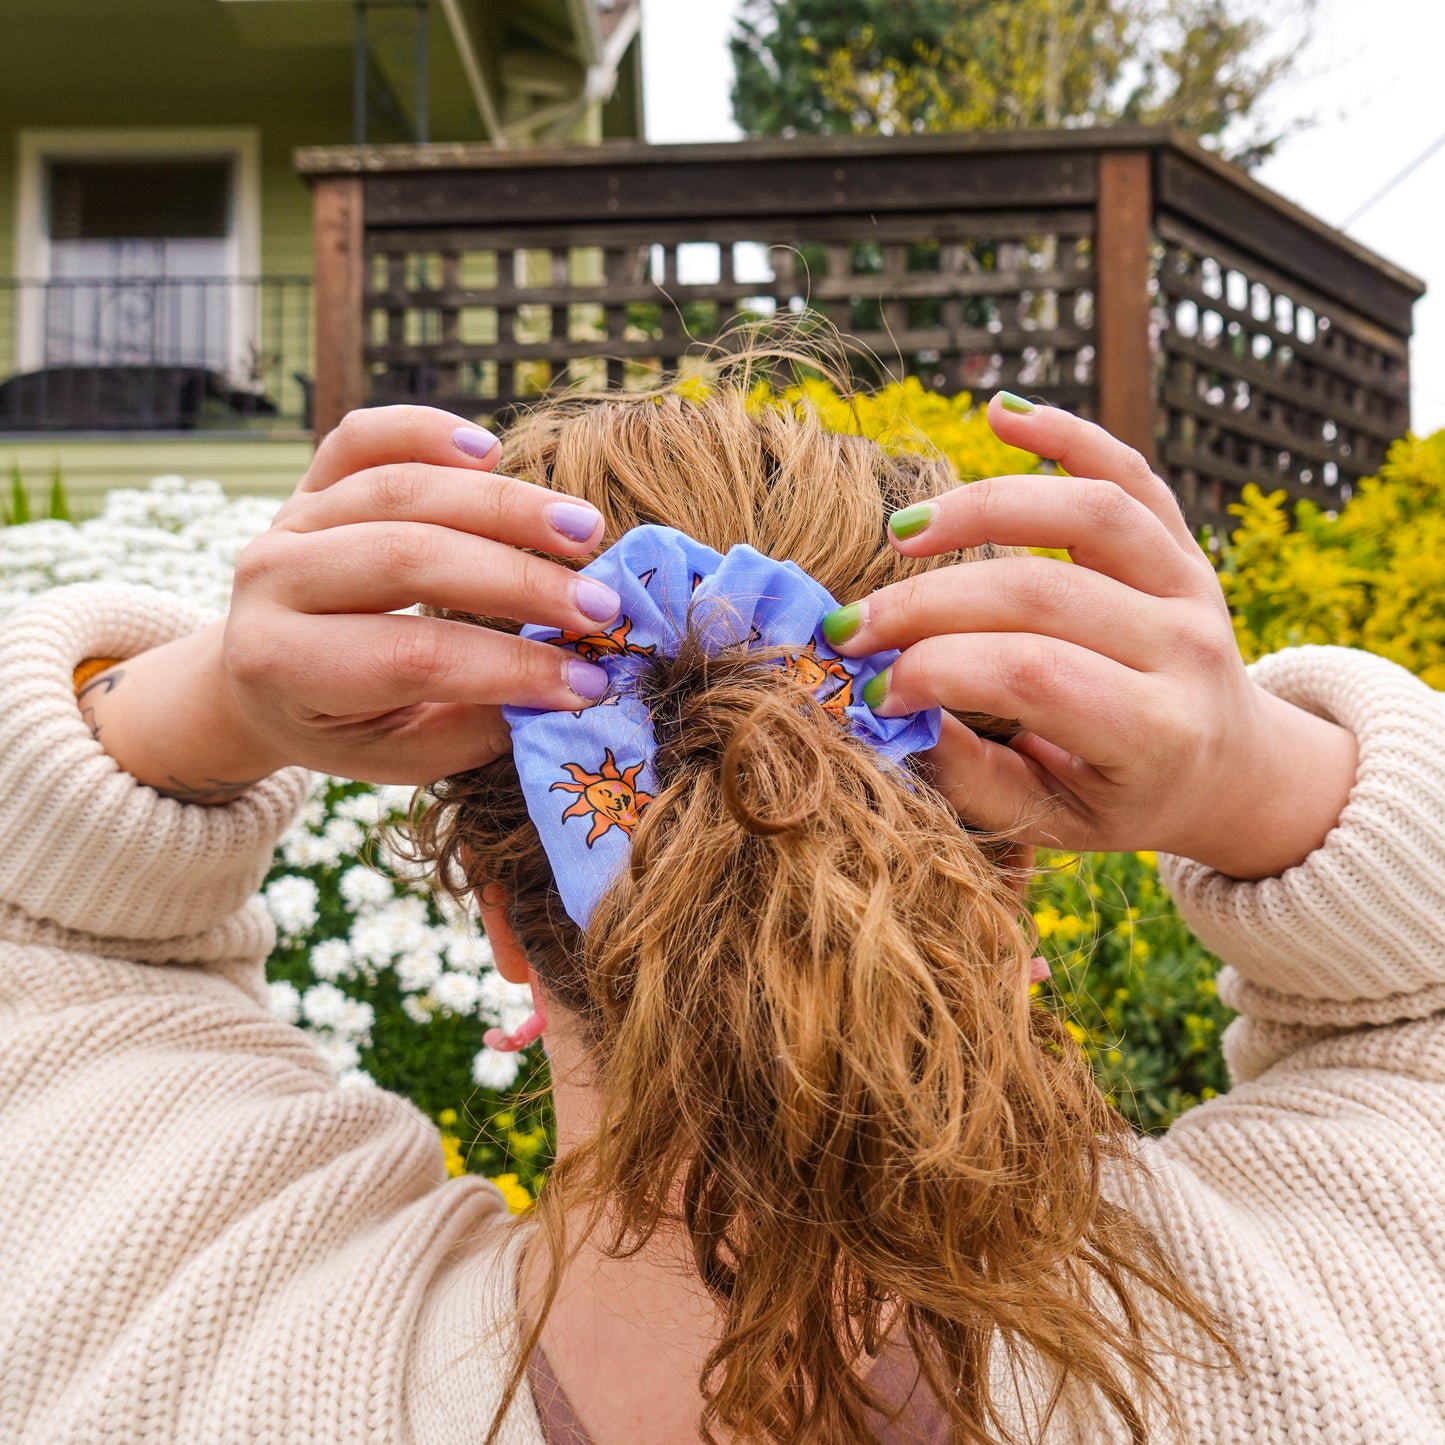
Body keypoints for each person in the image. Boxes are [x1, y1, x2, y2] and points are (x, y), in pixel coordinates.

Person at [0, 370, 1441, 1445]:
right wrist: (1261, 778)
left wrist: (199, 704)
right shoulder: (1323, 1339)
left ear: (503, 909)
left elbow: (45, 943)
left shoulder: (187, 1335)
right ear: (1003, 866)